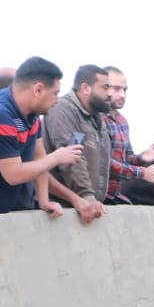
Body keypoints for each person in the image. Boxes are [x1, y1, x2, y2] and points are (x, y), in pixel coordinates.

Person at [0, 56, 82, 220]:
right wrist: (57, 157)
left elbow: (38, 157)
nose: (57, 100)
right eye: (55, 93)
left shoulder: (32, 115)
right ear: (37, 90)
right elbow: (14, 175)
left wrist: (44, 201)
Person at [43, 64, 113, 223]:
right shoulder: (65, 110)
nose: (110, 94)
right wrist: (86, 196)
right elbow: (72, 156)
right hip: (64, 210)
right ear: (85, 88)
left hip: (87, 206)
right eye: (105, 87)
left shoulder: (96, 117)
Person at [100, 66, 154, 204]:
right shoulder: (97, 119)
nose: (122, 94)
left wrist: (141, 158)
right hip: (99, 194)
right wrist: (142, 173)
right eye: (116, 88)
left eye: (124, 89)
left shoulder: (122, 121)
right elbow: (103, 163)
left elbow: (126, 159)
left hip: (115, 193)